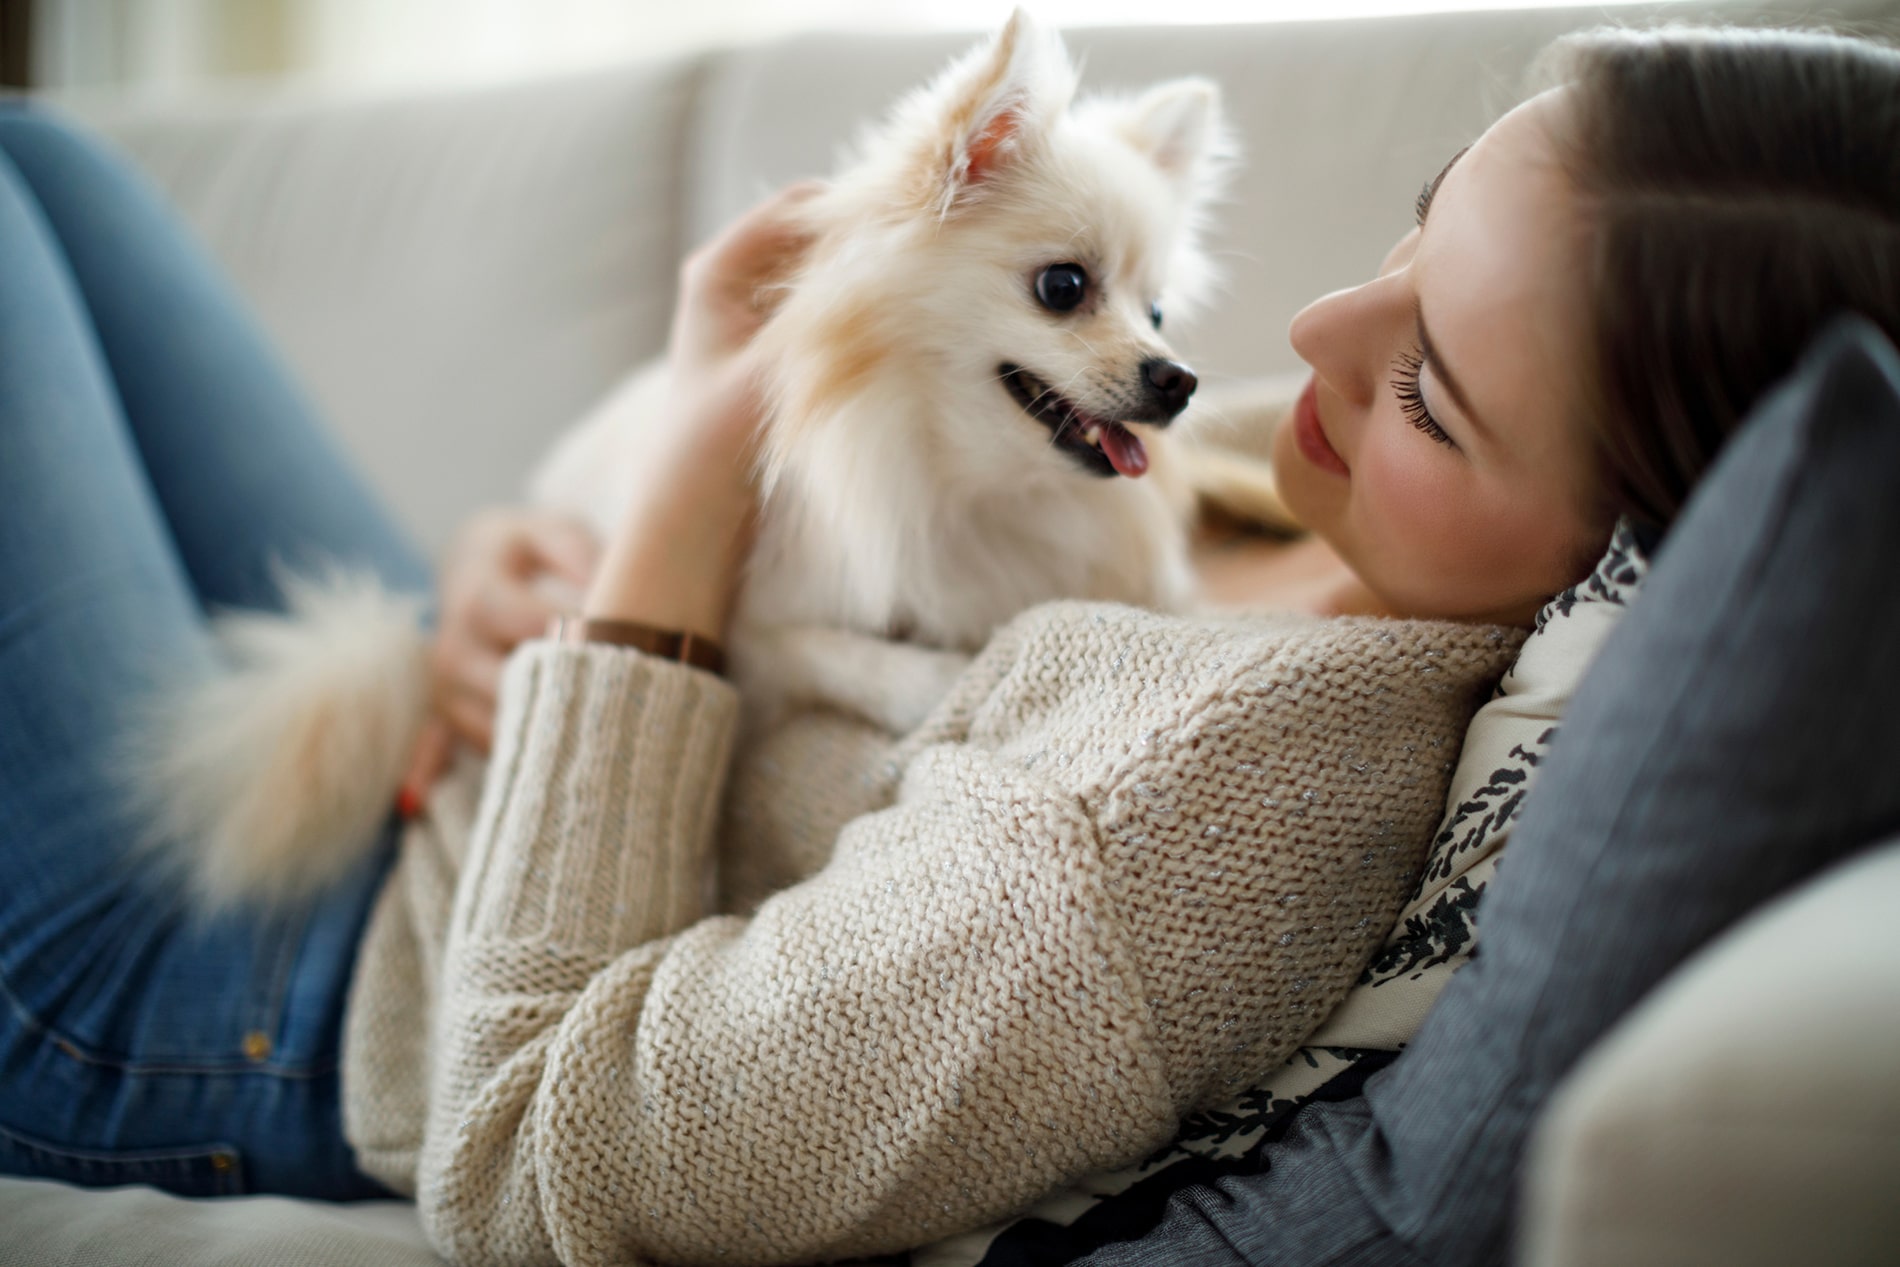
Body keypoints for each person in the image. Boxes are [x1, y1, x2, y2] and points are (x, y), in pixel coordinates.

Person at [0, 18, 1895, 1267]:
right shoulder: (1288, 488)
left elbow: (520, 1148)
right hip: (423, 762)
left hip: (260, 1000)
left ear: (1634, 562)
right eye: (1408, 231)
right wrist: (534, 586)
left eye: (1431, 386)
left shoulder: (1173, 839)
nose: (1314, 322)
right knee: (64, 175)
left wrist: (671, 514)